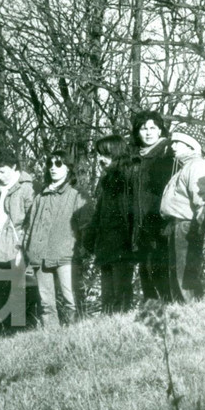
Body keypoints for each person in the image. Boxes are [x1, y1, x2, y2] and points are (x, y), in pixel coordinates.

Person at [24, 150, 92, 328]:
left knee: (71, 300)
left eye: (58, 164)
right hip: (39, 256)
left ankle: (76, 338)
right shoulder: (40, 197)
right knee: (46, 304)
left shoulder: (77, 194)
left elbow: (86, 226)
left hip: (66, 255)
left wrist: (83, 249)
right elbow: (30, 228)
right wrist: (27, 252)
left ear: (68, 168)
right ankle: (51, 341)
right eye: (50, 164)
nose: (53, 168)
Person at [160, 130, 205, 302]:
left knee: (185, 275)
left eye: (178, 142)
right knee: (177, 271)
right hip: (177, 225)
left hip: (187, 225)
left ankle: (191, 309)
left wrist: (199, 226)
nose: (173, 146)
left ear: (191, 146)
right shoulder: (185, 168)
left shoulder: (197, 166)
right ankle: (182, 310)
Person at [0, 149, 37, 332]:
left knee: (15, 298)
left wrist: (23, 248)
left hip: (13, 248)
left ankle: (17, 338)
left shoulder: (26, 189)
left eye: (2, 171)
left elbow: (32, 222)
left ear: (14, 167)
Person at [84, 134, 136, 313]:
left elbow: (132, 213)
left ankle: (120, 326)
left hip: (123, 243)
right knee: (107, 293)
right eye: (98, 154)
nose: (100, 159)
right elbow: (99, 213)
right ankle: (108, 327)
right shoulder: (106, 180)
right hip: (106, 243)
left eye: (104, 154)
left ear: (116, 153)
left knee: (120, 292)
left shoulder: (129, 176)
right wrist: (90, 238)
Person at [129, 110, 176, 301]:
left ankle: (169, 309)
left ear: (160, 131)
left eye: (153, 128)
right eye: (143, 128)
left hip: (161, 224)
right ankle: (152, 316)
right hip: (140, 227)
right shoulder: (134, 158)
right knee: (145, 272)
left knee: (160, 270)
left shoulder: (168, 155)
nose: (148, 133)